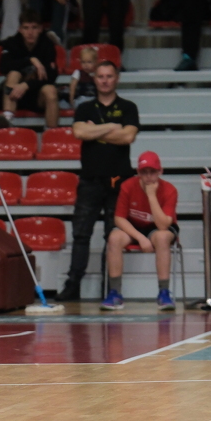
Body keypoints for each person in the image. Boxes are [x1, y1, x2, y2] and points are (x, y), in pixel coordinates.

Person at [59, 59, 139, 301]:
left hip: (119, 181)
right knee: (81, 234)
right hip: (90, 179)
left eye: (109, 76)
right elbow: (79, 132)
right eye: (101, 76)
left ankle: (110, 288)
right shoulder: (84, 108)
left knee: (113, 237)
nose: (105, 81)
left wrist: (96, 131)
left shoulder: (128, 107)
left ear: (117, 78)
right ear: (94, 79)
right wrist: (113, 127)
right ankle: (73, 285)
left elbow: (127, 137)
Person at [102, 150, 179, 311]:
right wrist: (140, 238)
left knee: (162, 238)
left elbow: (163, 225)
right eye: (144, 172)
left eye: (153, 172)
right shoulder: (127, 186)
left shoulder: (169, 190)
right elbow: (119, 218)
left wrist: (151, 196)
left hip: (157, 227)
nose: (148, 177)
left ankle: (164, 292)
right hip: (134, 226)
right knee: (114, 238)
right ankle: (115, 293)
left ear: (160, 171)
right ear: (138, 172)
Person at [0, 11, 60, 129]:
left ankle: (51, 135)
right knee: (13, 74)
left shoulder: (47, 45)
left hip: (37, 94)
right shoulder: (11, 43)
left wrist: (26, 85)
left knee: (51, 91)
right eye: (26, 28)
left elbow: (51, 76)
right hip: (14, 95)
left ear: (40, 29)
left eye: (34, 28)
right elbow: (3, 67)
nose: (30, 32)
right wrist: (30, 60)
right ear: (20, 29)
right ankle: (7, 119)